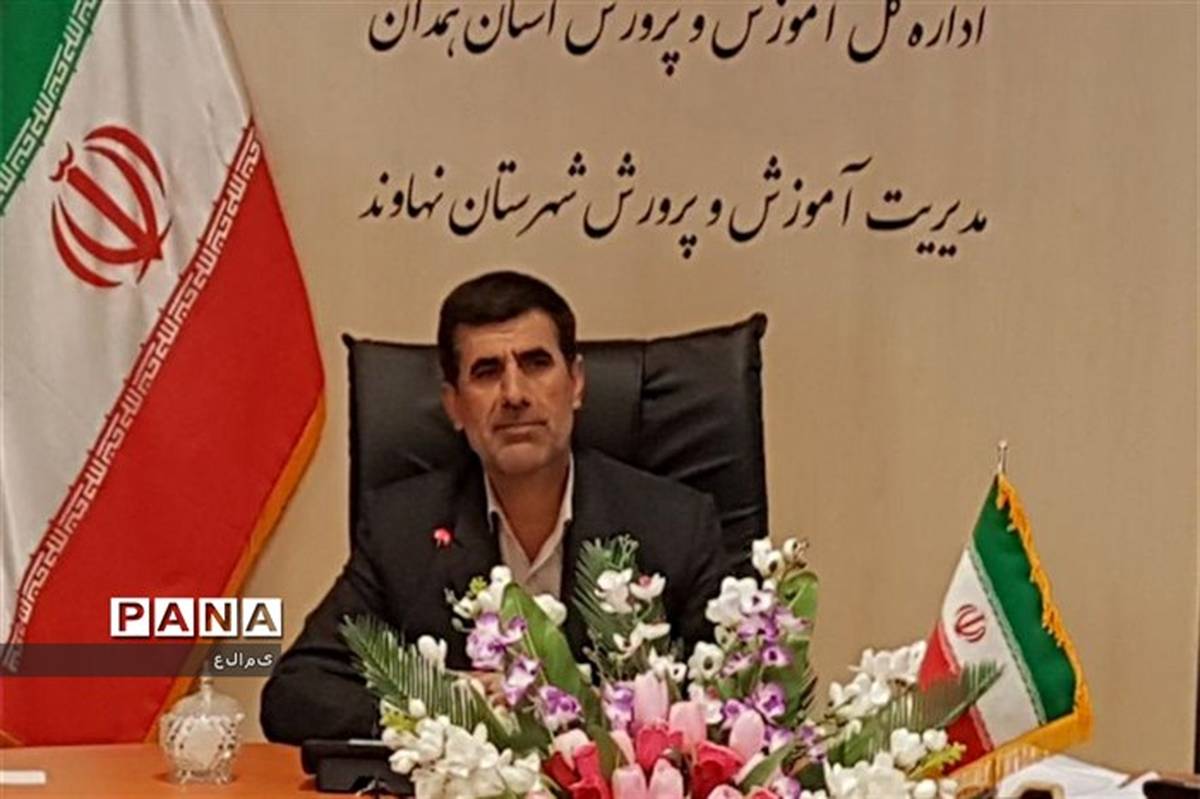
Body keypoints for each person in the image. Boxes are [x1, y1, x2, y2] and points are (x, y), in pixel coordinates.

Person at [260, 270, 737, 744]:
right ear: (454, 405)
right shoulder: (402, 530)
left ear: (576, 383)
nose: (514, 394)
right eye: (487, 372)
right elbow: (295, 693)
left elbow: (735, 700)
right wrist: (444, 707)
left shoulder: (676, 525)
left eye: (536, 364)